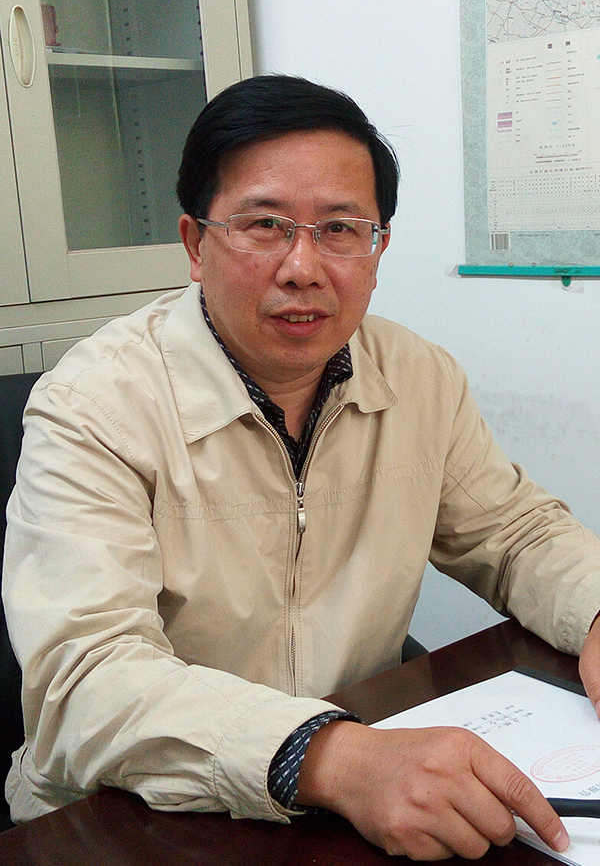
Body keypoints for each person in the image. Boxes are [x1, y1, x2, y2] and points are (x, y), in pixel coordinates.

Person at [3, 74, 600, 861]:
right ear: (195, 244)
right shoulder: (91, 405)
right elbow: (85, 681)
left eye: (341, 229)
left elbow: (518, 534)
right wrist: (326, 756)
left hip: (351, 790)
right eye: (265, 225)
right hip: (128, 815)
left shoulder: (419, 377)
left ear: (378, 250)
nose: (303, 267)